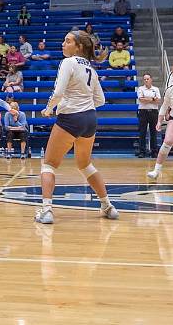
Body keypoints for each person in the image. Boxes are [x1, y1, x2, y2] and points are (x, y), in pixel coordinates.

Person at [36, 31, 119, 224]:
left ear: (79, 47)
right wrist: (83, 106)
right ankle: (108, 206)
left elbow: (57, 93)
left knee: (48, 164)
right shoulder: (91, 68)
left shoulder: (68, 62)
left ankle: (46, 211)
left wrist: (49, 109)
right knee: (84, 164)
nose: (63, 44)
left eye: (67, 41)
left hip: (71, 118)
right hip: (90, 119)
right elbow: (101, 100)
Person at [136, 74, 161, 158]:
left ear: (151, 79)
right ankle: (142, 151)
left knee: (153, 132)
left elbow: (158, 101)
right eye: (144, 79)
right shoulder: (140, 89)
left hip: (153, 112)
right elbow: (141, 100)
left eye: (147, 79)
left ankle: (154, 151)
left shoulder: (156, 89)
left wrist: (148, 99)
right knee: (142, 132)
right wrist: (152, 99)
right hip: (143, 112)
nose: (146, 80)